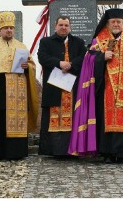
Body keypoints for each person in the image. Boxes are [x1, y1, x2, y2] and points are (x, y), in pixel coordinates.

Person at [68, 8, 123, 163]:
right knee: (104, 121)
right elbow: (89, 61)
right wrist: (102, 57)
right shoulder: (98, 41)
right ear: (107, 24)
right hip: (105, 89)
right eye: (113, 22)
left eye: (119, 22)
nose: (116, 24)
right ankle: (107, 153)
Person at [0, 11, 39, 160]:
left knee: (17, 119)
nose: (9, 30)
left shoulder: (21, 45)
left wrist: (26, 66)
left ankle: (16, 153)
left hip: (18, 87)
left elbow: (32, 65)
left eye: (11, 28)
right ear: (0, 30)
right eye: (6, 28)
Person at [37, 16, 87, 157]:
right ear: (55, 26)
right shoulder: (46, 41)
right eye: (61, 25)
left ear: (70, 27)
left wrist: (70, 65)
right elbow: (42, 57)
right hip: (54, 86)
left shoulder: (78, 42)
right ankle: (55, 151)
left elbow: (83, 57)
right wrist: (59, 63)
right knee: (54, 116)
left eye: (66, 25)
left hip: (72, 88)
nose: (63, 27)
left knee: (72, 117)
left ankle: (72, 150)